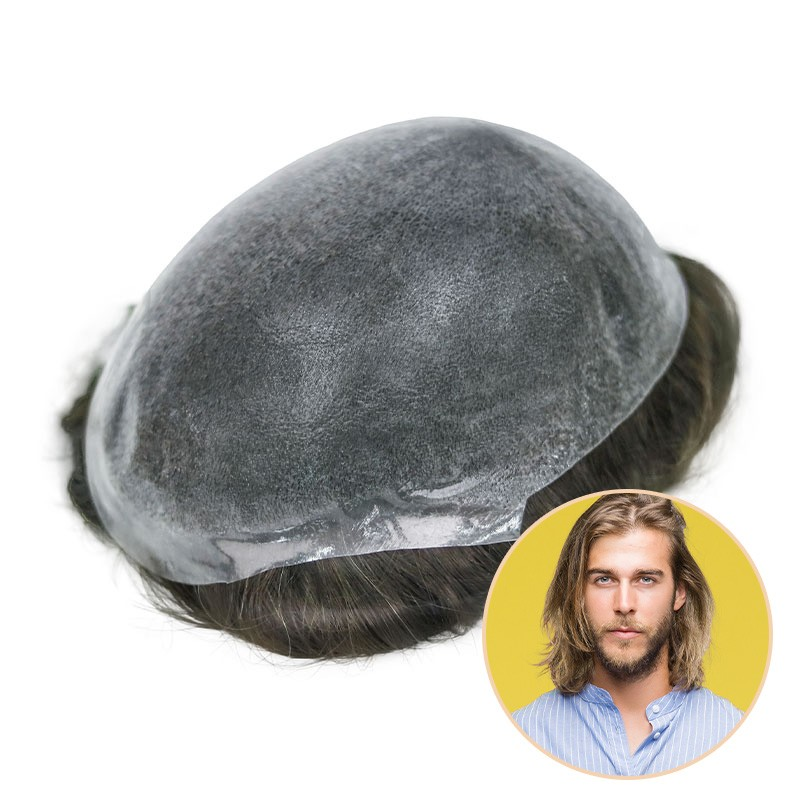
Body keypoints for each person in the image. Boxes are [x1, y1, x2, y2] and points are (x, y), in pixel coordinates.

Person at [512, 493, 743, 776]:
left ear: (679, 593)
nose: (624, 604)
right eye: (604, 579)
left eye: (646, 579)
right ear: (577, 593)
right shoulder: (526, 731)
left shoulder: (731, 730)